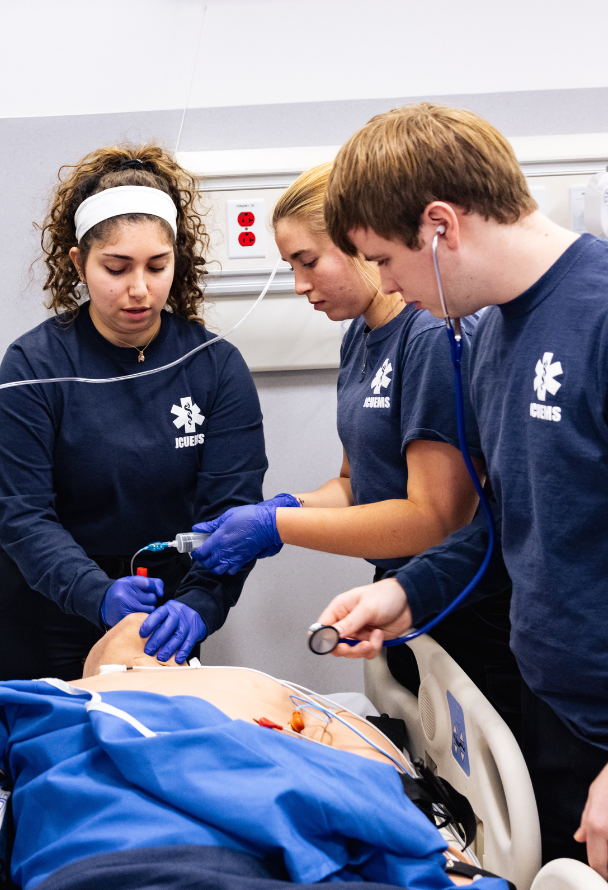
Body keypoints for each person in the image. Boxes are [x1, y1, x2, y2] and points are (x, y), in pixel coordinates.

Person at [312, 102, 608, 888]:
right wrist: (412, 593)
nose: (382, 285)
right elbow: (504, 520)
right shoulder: (488, 335)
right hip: (560, 721)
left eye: (385, 259)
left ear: (440, 226)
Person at [190, 163, 522, 738]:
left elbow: (433, 521)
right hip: (403, 602)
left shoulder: (430, 337)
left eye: (307, 261)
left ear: (360, 243)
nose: (298, 285)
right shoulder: (363, 336)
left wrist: (281, 529)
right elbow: (354, 484)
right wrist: (278, 507)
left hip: (466, 610)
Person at [0, 614, 510, 890]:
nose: (160, 637)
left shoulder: (260, 692)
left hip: (296, 862)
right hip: (119, 861)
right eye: (139, 629)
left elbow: (380, 778)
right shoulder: (46, 700)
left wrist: (440, 862)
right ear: (98, 662)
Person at [0, 145, 267, 684]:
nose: (140, 289)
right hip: (40, 610)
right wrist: (95, 593)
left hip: (160, 615)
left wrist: (201, 604)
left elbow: (231, 514)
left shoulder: (216, 369)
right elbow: (23, 513)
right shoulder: (35, 364)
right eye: (117, 267)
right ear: (77, 263)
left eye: (158, 266)